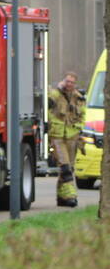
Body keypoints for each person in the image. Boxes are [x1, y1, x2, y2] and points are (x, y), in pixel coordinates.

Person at [48, 71, 87, 207]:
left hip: (72, 137)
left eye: (72, 82)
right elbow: (47, 111)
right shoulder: (54, 95)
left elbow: (82, 116)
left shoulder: (79, 99)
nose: (69, 84)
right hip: (57, 136)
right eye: (67, 81)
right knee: (65, 168)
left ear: (75, 84)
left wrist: (79, 130)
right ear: (63, 81)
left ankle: (61, 198)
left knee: (69, 167)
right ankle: (71, 196)